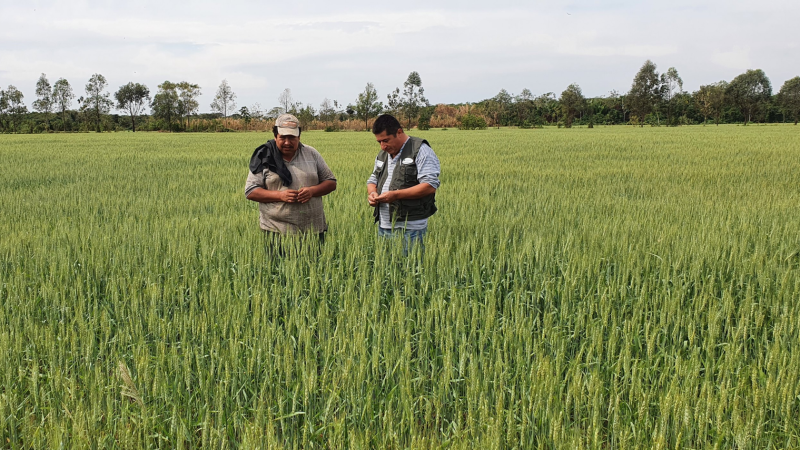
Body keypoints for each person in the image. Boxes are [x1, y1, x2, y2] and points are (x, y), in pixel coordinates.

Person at [245, 114, 336, 251]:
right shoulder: (264, 157)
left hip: (312, 230)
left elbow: (331, 182)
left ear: (299, 136)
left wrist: (312, 191)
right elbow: (251, 191)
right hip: (276, 230)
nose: (287, 142)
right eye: (283, 137)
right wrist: (280, 196)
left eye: (292, 137)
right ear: (276, 136)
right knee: (277, 270)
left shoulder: (311, 154)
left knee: (315, 269)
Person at [367, 114, 440, 254]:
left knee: (410, 271)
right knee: (387, 271)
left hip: (410, 228)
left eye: (386, 140)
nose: (383, 146)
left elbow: (430, 185)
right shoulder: (382, 155)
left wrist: (396, 195)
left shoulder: (420, 150)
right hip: (384, 225)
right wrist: (372, 193)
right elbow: (372, 180)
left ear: (399, 132)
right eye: (379, 142)